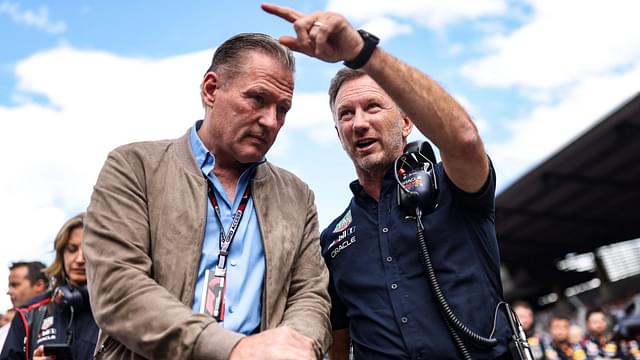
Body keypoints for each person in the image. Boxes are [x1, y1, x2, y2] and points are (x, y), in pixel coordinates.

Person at [262, 3, 512, 359]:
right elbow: (338, 342)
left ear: (407, 122)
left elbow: (465, 139)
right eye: (346, 114)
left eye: (373, 107)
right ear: (338, 133)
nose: (358, 123)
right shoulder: (332, 240)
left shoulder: (452, 184)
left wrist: (361, 52)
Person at [83, 32, 331, 360]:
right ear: (211, 89)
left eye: (282, 108)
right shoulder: (135, 167)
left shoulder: (297, 196)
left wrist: (295, 348)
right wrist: (233, 349)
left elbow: (310, 295)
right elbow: (118, 288)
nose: (271, 121)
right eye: (257, 99)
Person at [1, 213, 98, 360]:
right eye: (72, 249)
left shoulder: (118, 308)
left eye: (89, 250)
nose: (80, 259)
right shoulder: (29, 314)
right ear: (61, 254)